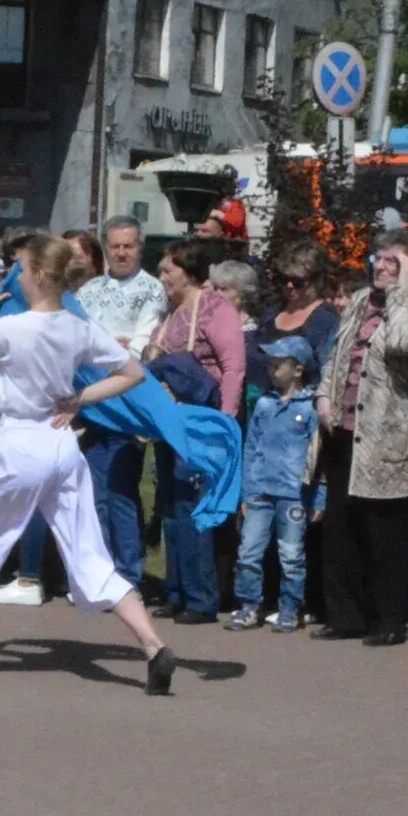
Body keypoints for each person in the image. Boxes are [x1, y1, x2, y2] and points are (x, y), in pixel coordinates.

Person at [0, 237, 181, 695]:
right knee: (88, 553)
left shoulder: (13, 328)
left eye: (22, 269)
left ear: (41, 277)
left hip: (23, 442)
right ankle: (153, 645)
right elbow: (132, 373)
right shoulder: (77, 327)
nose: (17, 277)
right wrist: (80, 399)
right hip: (62, 443)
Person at [312, 237, 408, 646]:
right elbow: (338, 351)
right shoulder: (360, 299)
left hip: (387, 434)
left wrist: (402, 288)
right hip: (344, 429)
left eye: (393, 262)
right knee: (341, 526)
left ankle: (391, 620)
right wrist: (323, 395)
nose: (381, 267)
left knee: (387, 532)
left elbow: (403, 342)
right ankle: (346, 616)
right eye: (378, 259)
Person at [145, 242, 247, 623]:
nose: (162, 278)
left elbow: (233, 366)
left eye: (167, 270)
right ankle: (176, 590)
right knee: (170, 504)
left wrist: (225, 420)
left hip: (202, 420)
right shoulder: (171, 314)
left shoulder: (215, 309)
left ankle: (201, 598)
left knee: (193, 504)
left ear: (187, 272)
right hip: (171, 420)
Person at [71, 218, 166, 598]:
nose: (122, 253)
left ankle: (129, 574)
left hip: (127, 402)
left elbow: (139, 348)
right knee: (93, 492)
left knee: (122, 489)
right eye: (115, 246)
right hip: (88, 401)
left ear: (139, 247)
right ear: (106, 249)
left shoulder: (151, 290)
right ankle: (100, 569)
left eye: (128, 246)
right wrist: (111, 343)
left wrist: (105, 344)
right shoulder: (89, 290)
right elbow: (77, 338)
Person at [225, 337, 319, 632]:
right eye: (270, 363)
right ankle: (249, 605)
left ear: (298, 370)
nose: (272, 369)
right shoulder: (264, 405)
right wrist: (247, 490)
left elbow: (319, 458)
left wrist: (320, 499)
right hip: (260, 493)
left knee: (291, 556)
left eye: (279, 364)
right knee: (249, 551)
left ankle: (289, 608)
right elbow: (251, 447)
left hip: (293, 495)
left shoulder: (311, 409)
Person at [260, 240, 340, 372]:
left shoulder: (326, 320)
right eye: (284, 279)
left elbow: (327, 371)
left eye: (298, 282)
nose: (289, 286)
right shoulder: (271, 312)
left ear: (317, 280)